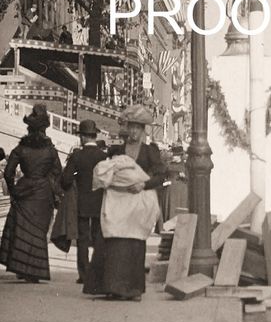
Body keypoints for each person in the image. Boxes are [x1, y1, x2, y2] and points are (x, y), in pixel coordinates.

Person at [84, 104, 166, 301]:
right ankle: (111, 287)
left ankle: (131, 290)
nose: (134, 132)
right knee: (111, 242)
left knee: (134, 243)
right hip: (117, 203)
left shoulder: (149, 151)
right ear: (126, 129)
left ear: (143, 130)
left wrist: (143, 185)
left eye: (137, 128)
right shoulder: (117, 149)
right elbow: (107, 170)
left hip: (137, 204)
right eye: (131, 127)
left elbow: (161, 176)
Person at [0, 104, 62, 283]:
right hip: (43, 193)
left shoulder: (21, 149)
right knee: (38, 232)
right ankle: (36, 270)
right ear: (44, 129)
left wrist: (13, 190)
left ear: (28, 129)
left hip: (24, 190)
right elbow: (57, 171)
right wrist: (49, 185)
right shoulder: (50, 150)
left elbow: (8, 172)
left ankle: (22, 268)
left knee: (23, 231)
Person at [61, 119, 107, 285]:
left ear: (82, 137)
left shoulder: (77, 156)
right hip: (99, 202)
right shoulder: (103, 156)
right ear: (94, 136)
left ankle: (84, 274)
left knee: (82, 239)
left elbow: (65, 180)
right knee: (97, 238)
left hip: (81, 203)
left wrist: (74, 178)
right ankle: (97, 273)